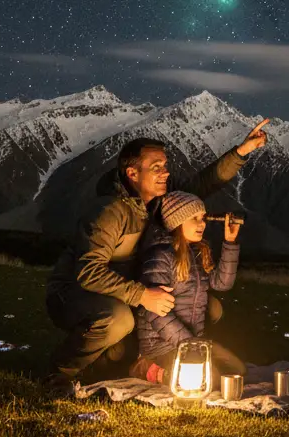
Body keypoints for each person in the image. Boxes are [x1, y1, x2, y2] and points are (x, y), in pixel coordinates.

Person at [44, 118, 269, 386]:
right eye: (156, 167)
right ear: (132, 174)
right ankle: (58, 374)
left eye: (165, 166)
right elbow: (88, 272)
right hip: (74, 292)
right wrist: (142, 296)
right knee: (119, 320)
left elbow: (204, 183)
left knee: (209, 307)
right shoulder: (110, 212)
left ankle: (135, 360)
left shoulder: (163, 201)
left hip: (125, 290)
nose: (165, 172)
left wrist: (242, 152)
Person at [130, 191, 245, 383]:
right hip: (161, 345)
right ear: (176, 222)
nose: (202, 224)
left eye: (203, 218)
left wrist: (230, 242)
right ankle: (148, 368)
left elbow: (222, 284)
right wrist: (188, 343)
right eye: (195, 219)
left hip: (192, 340)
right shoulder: (160, 256)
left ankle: (181, 366)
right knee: (210, 380)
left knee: (236, 371)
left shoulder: (198, 252)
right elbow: (155, 313)